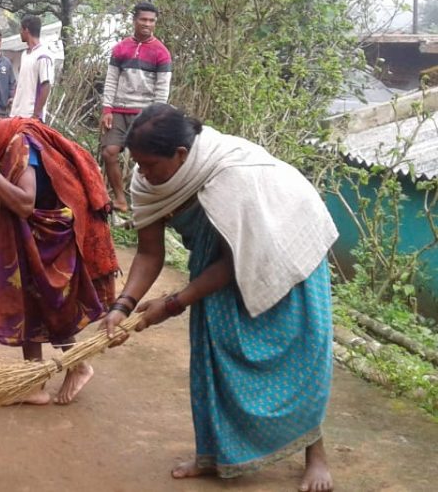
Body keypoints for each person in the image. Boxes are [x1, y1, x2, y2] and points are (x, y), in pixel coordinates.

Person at [102, 104, 335, 492]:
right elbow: (149, 252)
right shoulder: (149, 183)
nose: (142, 173)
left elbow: (234, 261)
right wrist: (121, 307)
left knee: (296, 356)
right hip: (220, 263)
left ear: (181, 154)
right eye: (137, 163)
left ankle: (316, 453)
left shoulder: (230, 176)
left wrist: (173, 304)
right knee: (217, 357)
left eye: (150, 164)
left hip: (283, 251)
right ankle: (212, 454)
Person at [0, 94, 118, 405]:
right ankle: (34, 381)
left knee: (51, 301)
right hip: (21, 236)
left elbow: (24, 203)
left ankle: (78, 365)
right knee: (26, 301)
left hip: (51, 231)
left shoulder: (19, 143)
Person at [100, 3, 171, 213]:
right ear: (134, 20)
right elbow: (111, 80)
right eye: (143, 19)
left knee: (147, 159)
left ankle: (147, 204)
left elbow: (162, 88)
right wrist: (107, 109)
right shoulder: (121, 48)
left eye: (151, 21)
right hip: (119, 110)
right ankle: (120, 199)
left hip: (145, 113)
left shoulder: (161, 52)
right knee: (109, 153)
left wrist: (157, 116)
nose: (147, 24)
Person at [9, 16, 54, 120]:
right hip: (16, 114)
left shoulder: (43, 55)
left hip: (30, 116)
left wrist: (35, 115)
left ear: (26, 30)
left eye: (21, 29)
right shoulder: (24, 54)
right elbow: (21, 81)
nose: (20, 33)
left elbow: (46, 85)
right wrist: (14, 98)